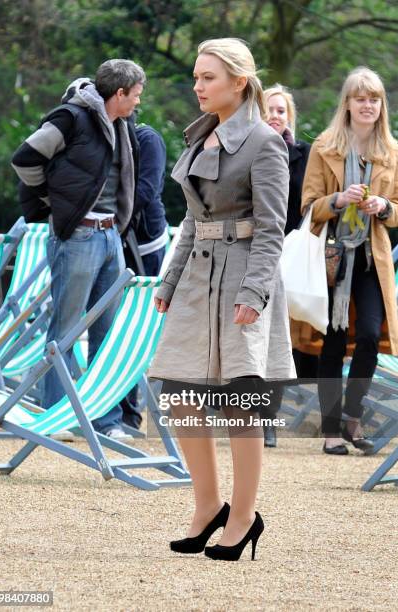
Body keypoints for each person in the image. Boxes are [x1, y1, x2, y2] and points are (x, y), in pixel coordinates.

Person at [148, 38, 295, 561]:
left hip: (242, 280)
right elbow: (193, 218)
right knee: (180, 394)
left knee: (240, 402)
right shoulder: (200, 138)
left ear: (239, 81)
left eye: (208, 77)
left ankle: (243, 516)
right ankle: (207, 505)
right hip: (195, 280)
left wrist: (254, 292)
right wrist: (168, 282)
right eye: (195, 77)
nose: (197, 86)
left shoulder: (264, 142)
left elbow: (273, 229)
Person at [11, 59, 146, 439]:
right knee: (66, 329)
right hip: (77, 236)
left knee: (108, 331)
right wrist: (54, 199)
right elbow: (26, 158)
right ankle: (55, 416)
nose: (138, 102)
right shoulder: (71, 118)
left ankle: (103, 421)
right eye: (135, 95)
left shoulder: (123, 125)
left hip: (110, 237)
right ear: (118, 94)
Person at [298, 66, 398, 455]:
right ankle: (330, 430)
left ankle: (352, 420)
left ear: (381, 106)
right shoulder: (324, 147)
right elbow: (308, 208)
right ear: (348, 104)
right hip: (333, 259)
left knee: (371, 336)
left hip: (372, 259)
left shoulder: (391, 151)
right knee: (333, 342)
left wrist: (385, 206)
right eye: (361, 98)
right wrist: (337, 200)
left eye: (374, 99)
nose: (368, 105)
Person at [262, 83, 317, 447]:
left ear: (290, 116)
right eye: (270, 109)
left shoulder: (305, 154)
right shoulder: (244, 149)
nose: (276, 115)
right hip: (252, 253)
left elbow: (311, 204)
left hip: (291, 254)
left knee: (278, 340)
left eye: (282, 110)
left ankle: (267, 418)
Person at [121, 122, 168, 430]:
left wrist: (112, 217)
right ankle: (123, 412)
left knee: (139, 328)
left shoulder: (147, 138)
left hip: (147, 246)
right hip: (117, 240)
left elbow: (147, 190)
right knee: (120, 330)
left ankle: (132, 414)